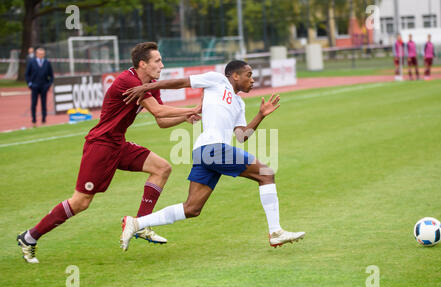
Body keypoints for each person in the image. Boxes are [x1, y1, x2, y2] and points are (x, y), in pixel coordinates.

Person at [16, 42, 202, 263]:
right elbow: (159, 110)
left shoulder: (151, 84)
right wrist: (193, 108)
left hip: (117, 143)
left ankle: (141, 223)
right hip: (101, 145)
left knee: (162, 168)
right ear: (143, 64)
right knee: (81, 202)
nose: (162, 65)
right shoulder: (128, 80)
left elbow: (161, 121)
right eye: (157, 61)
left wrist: (185, 117)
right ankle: (29, 237)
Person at [119, 60, 305, 251]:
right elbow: (182, 82)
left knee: (192, 208)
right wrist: (149, 86)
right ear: (235, 76)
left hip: (205, 152)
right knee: (266, 173)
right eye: (249, 75)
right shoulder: (217, 80)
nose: (253, 80)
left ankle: (136, 223)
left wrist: (261, 115)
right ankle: (275, 232)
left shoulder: (239, 104)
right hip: (212, 148)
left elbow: (241, 136)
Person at [25, 48, 54, 126]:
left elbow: (51, 75)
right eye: (39, 54)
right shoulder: (31, 62)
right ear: (36, 54)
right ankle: (34, 120)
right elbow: (27, 74)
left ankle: (44, 119)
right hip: (34, 86)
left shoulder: (47, 63)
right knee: (34, 104)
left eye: (42, 54)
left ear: (44, 54)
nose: (41, 55)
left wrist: (48, 84)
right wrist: (30, 84)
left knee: (44, 103)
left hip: (44, 86)